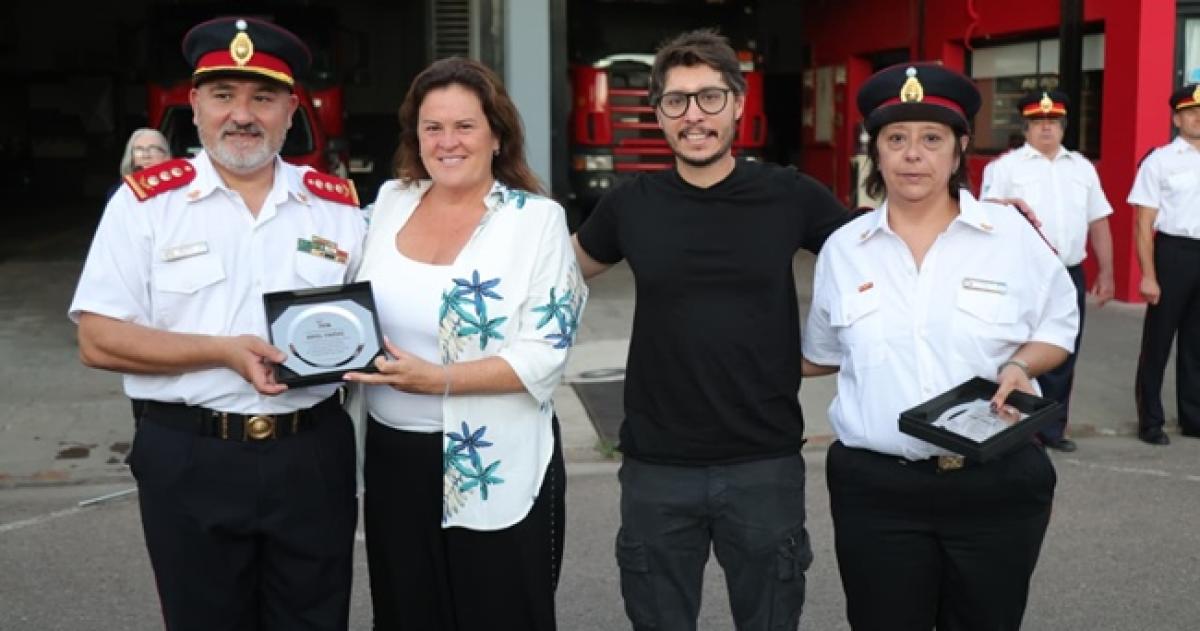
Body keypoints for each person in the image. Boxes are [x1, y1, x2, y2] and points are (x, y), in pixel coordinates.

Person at [68, 17, 365, 630]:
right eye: (224, 95)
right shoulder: (146, 204)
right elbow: (97, 338)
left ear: (291, 109)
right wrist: (223, 352)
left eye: (263, 97)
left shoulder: (337, 206)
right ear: (196, 106)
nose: (243, 114)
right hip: (190, 454)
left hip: (311, 453)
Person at [573, 30, 848, 631]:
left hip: (764, 461)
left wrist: (832, 350)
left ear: (739, 104)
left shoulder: (789, 196)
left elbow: (879, 263)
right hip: (656, 466)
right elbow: (553, 275)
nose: (693, 115)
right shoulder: (631, 204)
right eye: (676, 101)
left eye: (709, 98)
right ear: (658, 114)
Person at [801, 63, 1079, 630]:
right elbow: (821, 352)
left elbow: (1058, 327)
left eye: (932, 139)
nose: (912, 154)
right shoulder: (843, 249)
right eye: (895, 139)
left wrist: (1021, 363)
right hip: (877, 490)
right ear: (874, 152)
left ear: (959, 151)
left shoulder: (1011, 237)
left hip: (994, 484)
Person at [341, 57, 585, 631]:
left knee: (500, 613)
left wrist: (441, 379)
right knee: (406, 613)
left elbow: (545, 352)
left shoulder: (537, 221)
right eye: (433, 127)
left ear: (497, 135)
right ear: (415, 137)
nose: (448, 142)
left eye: (465, 126)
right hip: (393, 454)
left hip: (494, 456)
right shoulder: (389, 204)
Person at [980, 90, 1116, 452]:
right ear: (1025, 127)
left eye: (1053, 122)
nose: (1046, 129)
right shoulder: (1005, 168)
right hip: (1021, 275)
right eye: (1039, 122)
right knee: (1019, 351)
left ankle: (1053, 429)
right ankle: (1018, 424)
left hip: (1068, 272)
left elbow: (1099, 221)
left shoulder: (1082, 168)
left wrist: (1107, 272)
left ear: (1063, 126)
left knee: (1063, 351)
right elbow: (987, 221)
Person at [1128, 83, 1200, 446]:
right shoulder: (1159, 160)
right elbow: (1143, 223)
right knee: (1158, 342)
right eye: (1190, 112)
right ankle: (1151, 420)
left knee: (1197, 342)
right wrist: (1149, 275)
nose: (1198, 118)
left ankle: (1193, 416)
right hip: (1173, 254)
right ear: (1177, 118)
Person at [108, 128, 172, 200]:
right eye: (139, 150)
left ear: (165, 155)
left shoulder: (182, 187)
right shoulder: (120, 191)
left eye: (153, 149)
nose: (146, 156)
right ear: (132, 157)